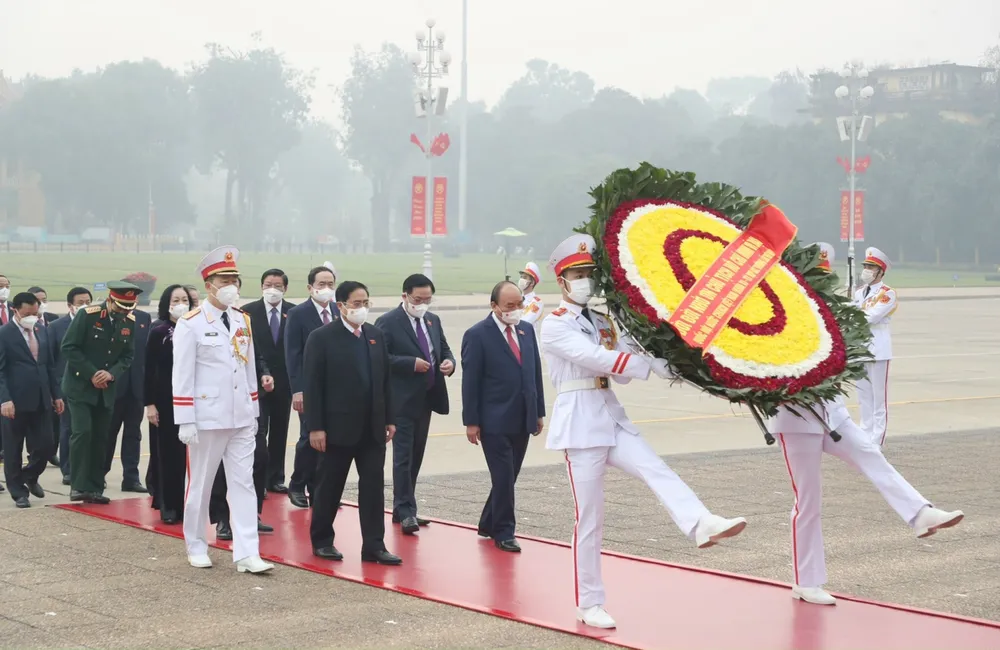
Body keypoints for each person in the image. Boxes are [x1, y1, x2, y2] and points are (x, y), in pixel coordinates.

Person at [540, 233, 748, 630]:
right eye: (577, 274)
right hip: (580, 425)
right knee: (590, 519)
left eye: (588, 273)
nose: (584, 280)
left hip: (610, 416)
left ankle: (700, 522)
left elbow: (622, 366)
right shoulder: (554, 325)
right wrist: (644, 365)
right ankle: (589, 603)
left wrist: (663, 359)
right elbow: (594, 358)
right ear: (561, 280)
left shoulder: (603, 320)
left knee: (656, 468)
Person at [768, 242, 963, 606]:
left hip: (833, 412)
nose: (821, 282)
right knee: (809, 500)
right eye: (816, 276)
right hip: (797, 419)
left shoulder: (829, 309)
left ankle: (920, 514)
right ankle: (805, 581)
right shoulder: (778, 313)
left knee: (873, 457)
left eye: (824, 276)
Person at [172, 245, 273, 574]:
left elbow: (248, 368)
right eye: (224, 280)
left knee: (244, 484)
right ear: (209, 285)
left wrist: (254, 411)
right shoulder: (191, 323)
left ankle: (247, 553)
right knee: (200, 485)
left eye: (235, 280)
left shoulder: (243, 319)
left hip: (241, 416)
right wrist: (185, 419)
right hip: (207, 418)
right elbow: (182, 375)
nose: (231, 286)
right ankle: (196, 544)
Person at [305, 280, 400, 566]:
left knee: (373, 489)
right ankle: (322, 540)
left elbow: (385, 380)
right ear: (341, 306)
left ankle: (374, 545)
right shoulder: (321, 338)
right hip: (337, 429)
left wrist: (389, 418)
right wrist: (315, 427)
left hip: (372, 429)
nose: (362, 308)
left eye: (366, 303)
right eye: (357, 304)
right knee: (329, 487)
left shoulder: (374, 335)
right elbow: (313, 386)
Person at [461, 281, 545, 552]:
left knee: (510, 475)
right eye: (510, 305)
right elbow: (470, 382)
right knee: (503, 477)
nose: (516, 309)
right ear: (494, 306)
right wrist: (471, 421)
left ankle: (488, 522)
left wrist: (538, 411)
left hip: (523, 417)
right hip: (493, 419)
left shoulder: (526, 330)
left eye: (519, 304)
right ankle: (504, 531)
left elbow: (534, 373)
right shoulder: (477, 335)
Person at [374, 274, 455, 533]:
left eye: (427, 299)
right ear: (405, 296)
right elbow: (380, 357)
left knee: (416, 455)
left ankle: (403, 508)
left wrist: (449, 363)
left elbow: (443, 348)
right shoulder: (388, 322)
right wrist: (410, 363)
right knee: (403, 457)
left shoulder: (432, 320)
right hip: (401, 401)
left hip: (427, 398)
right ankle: (406, 510)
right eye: (418, 299)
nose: (422, 304)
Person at [61, 281, 141, 504]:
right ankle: (78, 486)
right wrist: (92, 373)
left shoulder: (129, 322)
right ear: (110, 300)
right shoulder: (88, 315)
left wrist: (111, 374)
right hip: (80, 386)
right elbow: (69, 347)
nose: (124, 311)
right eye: (121, 306)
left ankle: (95, 487)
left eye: (129, 307)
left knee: (100, 436)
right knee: (83, 432)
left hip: (106, 389)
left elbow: (127, 356)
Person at [0, 292, 63, 507]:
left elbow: (49, 365)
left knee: (46, 445)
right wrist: (5, 399)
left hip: (41, 398)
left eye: (35, 313)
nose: (32, 317)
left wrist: (56, 394)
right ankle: (18, 492)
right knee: (13, 448)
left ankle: (30, 475)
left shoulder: (41, 330)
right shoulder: (4, 334)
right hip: (14, 402)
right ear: (15, 310)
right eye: (27, 314)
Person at [285, 265, 338, 508]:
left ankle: (319, 489)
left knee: (328, 439)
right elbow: (293, 355)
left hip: (334, 388)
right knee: (309, 436)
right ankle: (297, 484)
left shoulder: (338, 310)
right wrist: (298, 389)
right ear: (310, 287)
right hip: (308, 387)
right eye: (321, 284)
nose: (326, 289)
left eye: (330, 284)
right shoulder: (298, 314)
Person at [144, 285, 195, 524]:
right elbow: (148, 369)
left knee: (190, 456)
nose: (181, 304)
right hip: (165, 400)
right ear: (167, 303)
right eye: (176, 300)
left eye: (185, 299)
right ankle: (168, 504)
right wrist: (149, 404)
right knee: (167, 454)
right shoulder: (159, 331)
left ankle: (188, 504)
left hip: (193, 399)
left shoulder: (196, 328)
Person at [243, 269, 293, 494]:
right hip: (256, 381)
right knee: (258, 432)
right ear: (261, 286)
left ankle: (276, 478)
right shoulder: (248, 312)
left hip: (284, 382)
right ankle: (258, 479)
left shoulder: (293, 312)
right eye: (268, 285)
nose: (272, 289)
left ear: (285, 288)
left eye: (278, 285)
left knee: (280, 432)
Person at [104, 278, 152, 493]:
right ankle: (99, 474)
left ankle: (131, 478)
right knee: (108, 433)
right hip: (113, 386)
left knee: (133, 434)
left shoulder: (143, 318)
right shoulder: (104, 318)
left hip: (136, 387)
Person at [853, 246, 896, 447]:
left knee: (879, 399)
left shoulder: (888, 294)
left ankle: (876, 441)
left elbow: (871, 316)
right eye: (865, 266)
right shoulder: (859, 292)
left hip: (878, 349)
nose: (866, 270)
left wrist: (852, 313)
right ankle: (865, 437)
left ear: (880, 271)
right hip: (860, 349)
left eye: (871, 267)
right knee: (864, 397)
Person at [51, 287, 92, 484]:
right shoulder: (56, 327)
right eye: (80, 303)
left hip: (91, 385)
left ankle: (88, 470)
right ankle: (68, 469)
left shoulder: (97, 323)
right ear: (70, 305)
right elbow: (51, 359)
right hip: (66, 386)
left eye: (88, 302)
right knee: (68, 429)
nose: (85, 306)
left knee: (89, 430)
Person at [517, 262, 545, 329]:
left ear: (532, 283)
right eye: (521, 277)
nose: (521, 279)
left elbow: (524, 322)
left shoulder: (536, 303)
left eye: (525, 277)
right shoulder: (517, 299)